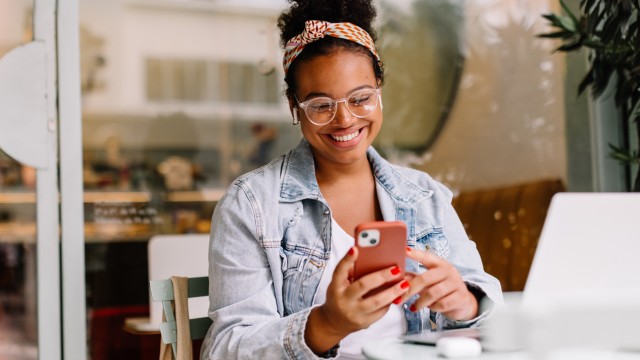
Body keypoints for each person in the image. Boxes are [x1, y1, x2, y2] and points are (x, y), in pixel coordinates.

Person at [201, 1, 502, 358]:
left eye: (360, 98)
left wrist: (466, 304)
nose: (344, 120)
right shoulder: (251, 205)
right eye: (321, 105)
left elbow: (491, 313)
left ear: (379, 90)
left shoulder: (425, 196)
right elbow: (224, 349)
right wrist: (327, 324)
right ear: (294, 107)